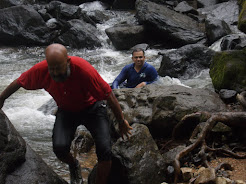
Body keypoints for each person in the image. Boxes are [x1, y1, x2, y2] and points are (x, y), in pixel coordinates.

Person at [0, 43, 133, 184]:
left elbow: (108, 95)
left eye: (59, 69)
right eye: (52, 69)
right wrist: (2, 98)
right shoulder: (41, 70)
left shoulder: (83, 69)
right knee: (59, 148)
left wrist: (121, 121)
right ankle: (74, 165)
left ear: (68, 62)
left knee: (105, 150)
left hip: (93, 108)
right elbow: (20, 82)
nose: (56, 73)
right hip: (66, 110)